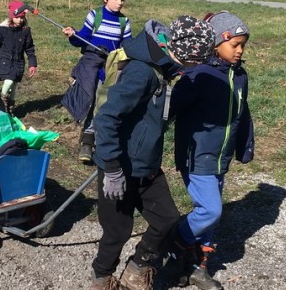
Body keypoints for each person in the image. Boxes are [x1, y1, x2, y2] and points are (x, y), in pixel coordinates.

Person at [89, 16, 216, 290]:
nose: (195, 67)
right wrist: (111, 167)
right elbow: (107, 118)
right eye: (195, 61)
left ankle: (137, 267)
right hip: (120, 166)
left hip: (146, 166)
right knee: (117, 230)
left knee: (167, 219)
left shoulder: (163, 70)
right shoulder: (143, 72)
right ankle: (101, 278)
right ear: (184, 53)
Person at [166, 11, 254, 290]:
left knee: (208, 217)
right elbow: (169, 110)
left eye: (243, 45)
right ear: (216, 43)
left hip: (221, 157)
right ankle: (176, 242)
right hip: (197, 156)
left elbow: (243, 114)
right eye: (234, 45)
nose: (240, 51)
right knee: (212, 211)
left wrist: (244, 145)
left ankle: (195, 267)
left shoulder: (240, 77)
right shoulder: (197, 75)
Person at [61, 0, 132, 163]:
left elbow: (127, 47)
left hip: (110, 71)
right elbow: (83, 38)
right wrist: (73, 34)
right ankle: (87, 141)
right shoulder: (95, 15)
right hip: (91, 68)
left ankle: (93, 141)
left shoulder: (124, 22)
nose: (120, 3)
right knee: (89, 103)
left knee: (102, 106)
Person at [0, 0, 37, 116]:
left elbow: (30, 48)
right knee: (9, 80)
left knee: (14, 85)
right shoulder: (3, 30)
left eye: (22, 17)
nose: (20, 20)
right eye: (17, 17)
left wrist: (32, 64)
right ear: (12, 16)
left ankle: (10, 108)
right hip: (5, 61)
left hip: (19, 63)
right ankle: (1, 100)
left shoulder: (25, 31)